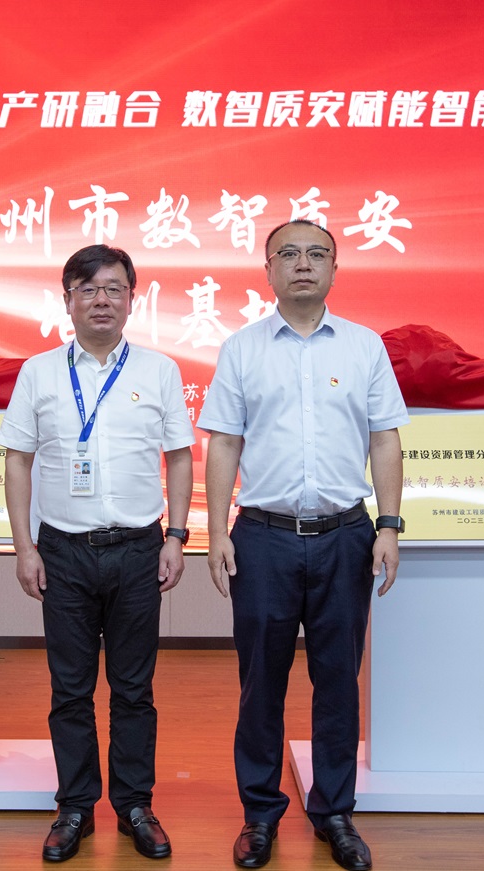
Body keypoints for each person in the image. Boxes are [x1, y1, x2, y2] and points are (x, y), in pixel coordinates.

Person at [197, 220, 408, 871]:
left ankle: (335, 812)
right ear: (267, 271)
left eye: (317, 253)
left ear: (335, 269)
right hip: (263, 538)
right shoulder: (242, 349)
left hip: (346, 535)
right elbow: (224, 442)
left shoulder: (365, 346)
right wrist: (215, 532)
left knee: (338, 680)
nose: (303, 264)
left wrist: (389, 524)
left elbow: (385, 438)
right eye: (288, 254)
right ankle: (260, 814)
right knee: (260, 682)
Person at [0, 244, 194, 863]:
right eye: (88, 289)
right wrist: (24, 547)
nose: (101, 300)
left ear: (133, 299)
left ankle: (135, 805)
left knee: (134, 689)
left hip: (138, 549)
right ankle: (75, 807)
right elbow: (17, 461)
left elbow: (180, 457)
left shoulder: (159, 371)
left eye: (113, 288)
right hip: (63, 551)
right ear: (68, 301)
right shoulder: (39, 372)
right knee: (70, 689)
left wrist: (177, 536)